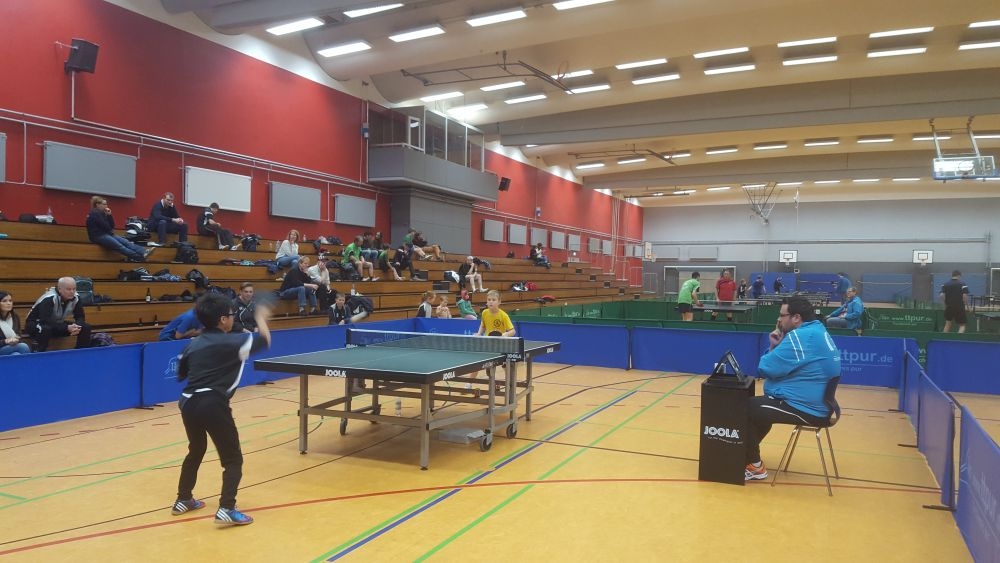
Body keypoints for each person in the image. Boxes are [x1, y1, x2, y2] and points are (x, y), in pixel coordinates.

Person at [170, 292, 272, 527]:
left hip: (188, 402)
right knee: (232, 459)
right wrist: (261, 317)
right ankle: (227, 508)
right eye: (231, 314)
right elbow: (264, 340)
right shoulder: (232, 342)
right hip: (212, 403)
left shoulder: (191, 345)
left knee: (196, 449)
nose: (233, 318)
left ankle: (183, 499)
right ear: (223, 320)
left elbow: (181, 375)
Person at [745, 296, 841, 481]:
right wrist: (777, 345)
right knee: (761, 408)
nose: (779, 320)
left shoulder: (801, 336)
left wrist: (773, 347)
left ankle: (754, 466)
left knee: (747, 407)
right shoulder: (817, 330)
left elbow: (765, 368)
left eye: (782, 315)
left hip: (809, 409)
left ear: (796, 317)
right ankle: (746, 456)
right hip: (819, 406)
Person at [25, 277, 92, 351]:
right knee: (45, 329)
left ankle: (80, 352)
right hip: (36, 323)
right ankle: (39, 352)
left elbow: (80, 316)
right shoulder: (49, 298)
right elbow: (45, 321)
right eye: (68, 289)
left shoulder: (76, 297)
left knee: (85, 327)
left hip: (56, 323)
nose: (72, 292)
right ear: (60, 289)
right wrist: (66, 327)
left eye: (74, 289)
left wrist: (76, 326)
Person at [86, 196, 155, 262]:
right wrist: (108, 221)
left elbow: (112, 226)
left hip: (107, 234)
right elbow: (107, 227)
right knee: (120, 246)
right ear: (97, 205)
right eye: (104, 204)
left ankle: (144, 251)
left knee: (126, 242)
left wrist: (109, 215)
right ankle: (140, 258)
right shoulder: (94, 214)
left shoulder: (102, 214)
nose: (106, 206)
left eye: (106, 204)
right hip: (98, 236)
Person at [0, 291, 31, 355]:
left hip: (12, 347)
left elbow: (19, 334)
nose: (8, 303)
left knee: (16, 354)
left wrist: (16, 339)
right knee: (23, 347)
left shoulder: (14, 316)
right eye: (4, 301)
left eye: (10, 301)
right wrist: (5, 341)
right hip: (2, 347)